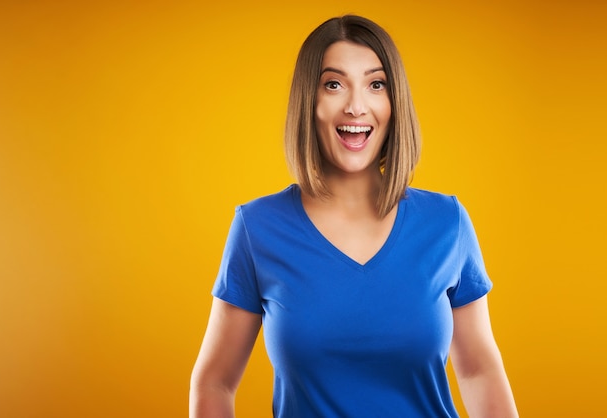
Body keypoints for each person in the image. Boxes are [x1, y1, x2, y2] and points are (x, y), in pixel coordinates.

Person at [190, 15, 518, 418]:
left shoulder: (446, 223)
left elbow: (478, 371)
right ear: (309, 101)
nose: (356, 106)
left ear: (393, 102)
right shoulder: (257, 228)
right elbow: (214, 382)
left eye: (375, 84)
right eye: (334, 84)